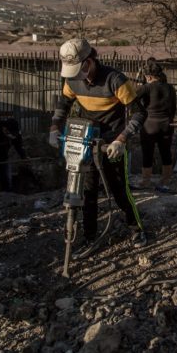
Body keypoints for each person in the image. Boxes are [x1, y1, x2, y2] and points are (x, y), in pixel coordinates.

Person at [49, 38, 148, 250]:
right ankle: (90, 236)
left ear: (90, 61)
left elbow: (139, 112)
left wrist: (121, 139)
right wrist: (54, 128)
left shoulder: (115, 80)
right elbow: (63, 104)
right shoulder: (71, 80)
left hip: (111, 144)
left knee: (120, 190)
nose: (76, 74)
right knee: (88, 192)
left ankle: (136, 228)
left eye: (79, 69)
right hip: (86, 141)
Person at [136, 58, 177, 192]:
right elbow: (174, 108)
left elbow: (132, 100)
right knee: (166, 152)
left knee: (147, 153)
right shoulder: (170, 88)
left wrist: (141, 112)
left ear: (148, 76)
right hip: (166, 124)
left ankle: (145, 181)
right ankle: (166, 180)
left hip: (149, 125)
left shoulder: (146, 87)